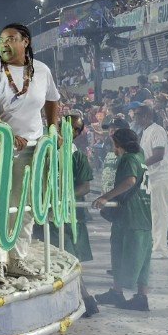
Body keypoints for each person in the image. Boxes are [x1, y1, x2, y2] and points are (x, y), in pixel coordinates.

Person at [0, 24, 61, 284]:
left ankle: (17, 259)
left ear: (26, 42)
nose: (4, 44)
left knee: (25, 204)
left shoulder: (42, 70)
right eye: (1, 39)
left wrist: (53, 129)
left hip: (31, 149)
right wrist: (8, 133)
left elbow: (52, 99)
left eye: (11, 38)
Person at [94, 127, 152, 311]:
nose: (114, 148)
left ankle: (118, 292)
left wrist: (106, 197)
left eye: (114, 144)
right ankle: (140, 296)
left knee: (120, 253)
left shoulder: (128, 159)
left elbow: (130, 181)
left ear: (120, 144)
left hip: (129, 215)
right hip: (144, 213)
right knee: (144, 258)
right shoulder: (140, 156)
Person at [63, 114, 98, 316]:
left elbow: (85, 187)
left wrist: (63, 197)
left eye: (75, 128)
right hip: (50, 213)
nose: (70, 130)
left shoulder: (78, 157)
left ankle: (85, 299)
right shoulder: (47, 150)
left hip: (71, 215)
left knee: (70, 259)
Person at [133, 103, 168, 260]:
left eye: (137, 115)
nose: (135, 118)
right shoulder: (145, 131)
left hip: (161, 177)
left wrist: (141, 166)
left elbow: (158, 154)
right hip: (152, 178)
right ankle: (155, 246)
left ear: (146, 116)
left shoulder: (157, 130)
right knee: (153, 214)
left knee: (160, 214)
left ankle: (161, 249)